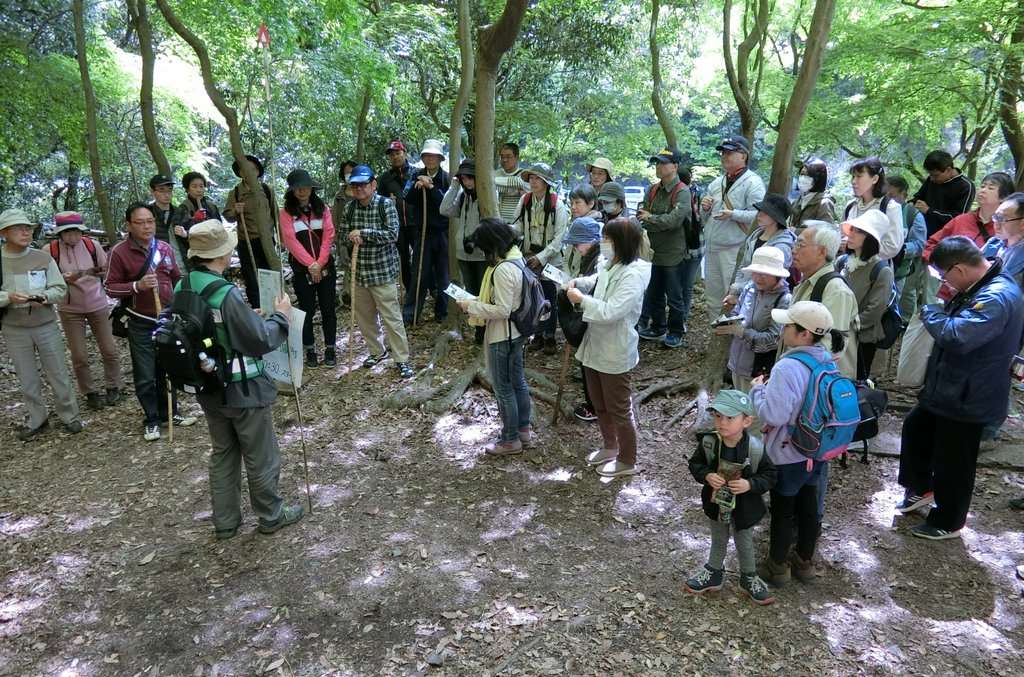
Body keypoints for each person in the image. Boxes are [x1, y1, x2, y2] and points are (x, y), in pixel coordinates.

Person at [180, 220, 305, 539]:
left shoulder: (184, 285)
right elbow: (260, 341)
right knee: (260, 454)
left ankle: (225, 521)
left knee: (223, 453)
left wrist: (248, 316)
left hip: (209, 387)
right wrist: (281, 316)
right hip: (243, 387)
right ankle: (271, 515)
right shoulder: (223, 291)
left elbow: (213, 327)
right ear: (223, 253)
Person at [897, 237, 1024, 539]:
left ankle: (949, 520)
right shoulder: (981, 285)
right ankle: (922, 488)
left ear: (959, 269)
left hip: (971, 394)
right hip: (950, 386)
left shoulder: (996, 297)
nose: (946, 283)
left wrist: (931, 313)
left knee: (955, 459)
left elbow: (958, 336)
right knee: (917, 429)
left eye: (945, 276)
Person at [751, 301, 846, 584]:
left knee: (783, 509)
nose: (783, 329)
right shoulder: (828, 359)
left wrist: (758, 391)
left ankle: (777, 567)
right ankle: (805, 562)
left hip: (788, 450)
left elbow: (774, 414)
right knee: (808, 505)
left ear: (804, 333)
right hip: (817, 447)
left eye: (788, 325)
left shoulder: (788, 366)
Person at [566, 217, 652, 478]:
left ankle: (627, 459)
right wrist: (579, 284)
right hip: (595, 345)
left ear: (621, 244)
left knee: (619, 407)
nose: (603, 243)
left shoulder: (634, 274)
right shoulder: (610, 263)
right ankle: (610, 446)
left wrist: (581, 301)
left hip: (615, 347)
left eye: (607, 239)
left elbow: (613, 311)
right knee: (599, 402)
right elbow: (598, 280)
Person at [106, 203, 196, 441]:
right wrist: (137, 286)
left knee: (167, 367)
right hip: (140, 321)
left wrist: (184, 299)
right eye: (140, 222)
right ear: (129, 225)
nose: (146, 226)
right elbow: (110, 287)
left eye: (150, 221)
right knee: (145, 373)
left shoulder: (164, 248)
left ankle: (171, 412)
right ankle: (152, 419)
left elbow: (176, 277)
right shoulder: (120, 252)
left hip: (166, 318)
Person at [684, 389, 777, 604]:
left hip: (745, 508)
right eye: (717, 416)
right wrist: (707, 475)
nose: (722, 422)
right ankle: (714, 572)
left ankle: (749, 577)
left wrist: (750, 484)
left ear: (746, 421)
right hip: (716, 504)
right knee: (718, 539)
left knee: (744, 542)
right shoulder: (710, 443)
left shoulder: (755, 449)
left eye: (729, 417)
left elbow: (771, 475)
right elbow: (695, 464)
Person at [0, 209, 83, 440]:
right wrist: (8, 297)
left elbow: (59, 288)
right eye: (18, 228)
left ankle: (70, 416)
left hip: (45, 323)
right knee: (27, 377)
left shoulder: (42, 257)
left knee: (58, 371)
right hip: (14, 328)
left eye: (28, 227)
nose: (25, 232)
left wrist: (45, 297)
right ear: (4, 233)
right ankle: (37, 418)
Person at [457, 219, 532, 455]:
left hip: (503, 335)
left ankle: (510, 440)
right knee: (518, 382)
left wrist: (472, 306)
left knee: (503, 388)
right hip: (518, 333)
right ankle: (522, 429)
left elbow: (502, 310)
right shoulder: (518, 259)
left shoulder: (502, 269)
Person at [343, 164, 415, 378]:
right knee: (365, 318)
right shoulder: (349, 208)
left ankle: (401, 359)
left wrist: (363, 233)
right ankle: (377, 351)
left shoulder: (385, 205)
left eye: (363, 184)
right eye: (355, 185)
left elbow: (392, 234)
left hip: (382, 273)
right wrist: (350, 237)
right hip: (359, 273)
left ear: (373, 185)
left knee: (392, 317)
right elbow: (341, 234)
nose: (359, 189)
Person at [50, 211, 123, 409]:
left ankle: (114, 386)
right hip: (69, 308)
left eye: (75, 232)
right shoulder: (50, 250)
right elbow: (45, 279)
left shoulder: (92, 245)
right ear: (60, 234)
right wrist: (62, 279)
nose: (72, 236)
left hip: (97, 303)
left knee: (109, 349)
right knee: (79, 355)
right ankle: (89, 392)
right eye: (67, 232)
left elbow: (106, 269)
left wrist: (83, 273)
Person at [700, 136, 766, 318]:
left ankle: (731, 342)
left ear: (743, 156)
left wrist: (734, 214)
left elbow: (759, 215)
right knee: (712, 298)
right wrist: (704, 208)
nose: (724, 156)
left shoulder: (753, 183)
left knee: (733, 297)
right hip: (712, 248)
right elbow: (705, 218)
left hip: (734, 250)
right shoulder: (716, 183)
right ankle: (715, 338)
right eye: (723, 152)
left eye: (730, 152)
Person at [279, 168, 337, 368]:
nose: (302, 191)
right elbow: (290, 241)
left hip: (325, 267)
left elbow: (329, 236)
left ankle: (330, 348)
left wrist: (319, 263)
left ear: (312, 189)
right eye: (298, 188)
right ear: (292, 191)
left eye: (306, 187)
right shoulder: (286, 213)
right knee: (306, 310)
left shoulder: (323, 209)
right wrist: (310, 265)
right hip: (302, 270)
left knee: (329, 308)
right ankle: (310, 349)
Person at [637, 148, 693, 348]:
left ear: (675, 166)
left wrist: (651, 218)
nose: (658, 167)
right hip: (652, 250)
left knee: (674, 295)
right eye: (657, 163)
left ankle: (676, 330)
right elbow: (640, 216)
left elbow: (674, 221)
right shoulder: (652, 190)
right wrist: (652, 219)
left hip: (673, 252)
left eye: (663, 163)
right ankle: (658, 326)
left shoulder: (682, 191)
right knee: (654, 292)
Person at [512, 162, 570, 354]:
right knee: (533, 298)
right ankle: (536, 334)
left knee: (549, 298)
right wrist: (505, 230)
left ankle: (550, 336)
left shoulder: (557, 205)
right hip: (529, 257)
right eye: (531, 178)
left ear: (546, 182)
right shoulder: (525, 201)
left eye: (538, 179)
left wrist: (542, 257)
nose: (534, 182)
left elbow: (559, 238)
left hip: (551, 260)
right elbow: (518, 226)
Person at [789, 222, 858, 379]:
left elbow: (831, 347)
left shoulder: (835, 290)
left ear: (821, 252)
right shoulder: (806, 282)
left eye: (800, 245)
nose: (794, 250)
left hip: (819, 387)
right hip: (800, 377)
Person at [718, 246, 792, 392]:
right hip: (736, 364)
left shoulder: (784, 299)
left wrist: (742, 332)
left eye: (764, 274)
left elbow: (774, 339)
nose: (758, 278)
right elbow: (737, 313)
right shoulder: (750, 288)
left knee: (753, 411)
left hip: (758, 371)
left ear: (777, 275)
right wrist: (727, 324)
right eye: (755, 273)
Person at [837, 211, 894, 381]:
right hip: (835, 333)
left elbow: (875, 310)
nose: (852, 234)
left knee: (855, 381)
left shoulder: (881, 270)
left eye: (859, 231)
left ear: (870, 238)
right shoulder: (842, 262)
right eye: (852, 229)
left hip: (862, 339)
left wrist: (846, 325)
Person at [221, 155, 282, 309]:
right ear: (240, 173)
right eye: (245, 170)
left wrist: (282, 238)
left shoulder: (267, 190)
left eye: (253, 169)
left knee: (269, 276)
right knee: (252, 279)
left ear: (257, 172)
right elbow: (228, 216)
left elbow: (276, 216)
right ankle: (258, 311)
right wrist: (235, 210)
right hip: (246, 242)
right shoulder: (235, 193)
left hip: (267, 241)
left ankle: (274, 309)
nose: (249, 173)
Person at [403, 139, 451, 325]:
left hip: (443, 233)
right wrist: (419, 184)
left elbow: (446, 204)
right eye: (427, 156)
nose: (430, 159)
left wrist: (430, 187)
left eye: (434, 156)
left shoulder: (447, 178)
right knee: (419, 274)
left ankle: (443, 313)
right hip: (422, 233)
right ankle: (411, 315)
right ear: (423, 158)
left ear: (440, 158)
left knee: (443, 275)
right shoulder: (414, 175)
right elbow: (407, 197)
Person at [560, 216, 603, 422]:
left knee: (591, 366)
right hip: (591, 316)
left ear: (592, 239)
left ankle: (595, 407)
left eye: (578, 243)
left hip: (595, 320)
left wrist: (578, 296)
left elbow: (596, 289)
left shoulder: (600, 259)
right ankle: (595, 405)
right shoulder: (592, 255)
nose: (576, 247)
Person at [724, 193, 795, 309]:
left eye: (765, 212)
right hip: (746, 295)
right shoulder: (755, 235)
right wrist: (735, 290)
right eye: (760, 210)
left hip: (766, 303)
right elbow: (744, 265)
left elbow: (771, 281)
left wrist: (740, 294)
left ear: (776, 217)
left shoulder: (782, 247)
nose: (759, 214)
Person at [442, 159, 496, 306]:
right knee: (470, 293)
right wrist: (454, 186)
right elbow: (444, 209)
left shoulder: (487, 197)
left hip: (481, 255)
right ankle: (476, 326)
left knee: (484, 294)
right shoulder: (462, 196)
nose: (467, 183)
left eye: (470, 178)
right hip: (463, 254)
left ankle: (485, 327)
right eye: (464, 179)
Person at [842, 157, 905, 261]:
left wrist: (859, 247)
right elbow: (843, 234)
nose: (853, 181)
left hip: (876, 271)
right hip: (848, 266)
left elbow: (893, 246)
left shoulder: (889, 207)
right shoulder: (851, 206)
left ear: (875, 179)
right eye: (853, 176)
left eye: (859, 176)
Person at [885, 176, 928, 318]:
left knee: (895, 304)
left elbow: (920, 245)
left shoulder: (912, 215)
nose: (888, 199)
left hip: (900, 271)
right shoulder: (879, 211)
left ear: (904, 195)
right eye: (885, 195)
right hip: (877, 269)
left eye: (892, 196)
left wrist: (901, 249)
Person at [912, 150, 977, 237]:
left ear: (948, 170)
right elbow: (918, 197)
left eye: (935, 175)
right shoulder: (932, 179)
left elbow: (958, 218)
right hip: (922, 232)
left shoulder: (966, 186)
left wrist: (929, 211)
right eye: (930, 175)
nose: (931, 179)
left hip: (945, 237)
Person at [378, 141, 413, 291]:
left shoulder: (416, 173)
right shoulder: (385, 178)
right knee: (404, 259)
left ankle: (428, 288)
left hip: (416, 223)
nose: (395, 157)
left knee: (422, 257)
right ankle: (410, 290)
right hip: (397, 226)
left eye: (398, 153)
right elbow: (380, 201)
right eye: (392, 155)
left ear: (404, 153)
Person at [172, 171, 221, 272]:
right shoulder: (183, 208)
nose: (199, 190)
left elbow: (219, 227)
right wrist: (194, 220)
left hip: (213, 250)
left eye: (201, 186)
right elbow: (179, 233)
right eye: (194, 186)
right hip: (194, 254)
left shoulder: (211, 206)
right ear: (187, 189)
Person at [332, 160, 359, 308]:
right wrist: (337, 238)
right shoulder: (340, 195)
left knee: (360, 264)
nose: (349, 174)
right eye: (346, 172)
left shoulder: (361, 191)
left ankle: (360, 296)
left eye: (352, 171)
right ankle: (348, 297)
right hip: (344, 235)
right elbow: (335, 217)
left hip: (361, 235)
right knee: (347, 265)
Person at [788, 157, 836, 231]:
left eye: (808, 175)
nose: (803, 178)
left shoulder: (824, 203)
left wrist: (796, 231)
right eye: (802, 174)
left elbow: (825, 231)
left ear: (818, 179)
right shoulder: (797, 201)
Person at [148, 174, 181, 264]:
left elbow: (192, 232)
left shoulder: (180, 211)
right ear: (152, 191)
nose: (166, 195)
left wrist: (185, 233)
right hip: (157, 262)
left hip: (181, 261)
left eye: (169, 190)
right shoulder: (147, 212)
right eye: (161, 190)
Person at [495, 142, 527, 227]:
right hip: (498, 223)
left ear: (516, 157)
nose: (504, 160)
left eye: (508, 156)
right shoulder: (496, 174)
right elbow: (490, 185)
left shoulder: (525, 175)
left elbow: (521, 182)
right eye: (502, 157)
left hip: (517, 224)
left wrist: (496, 183)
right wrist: (515, 190)